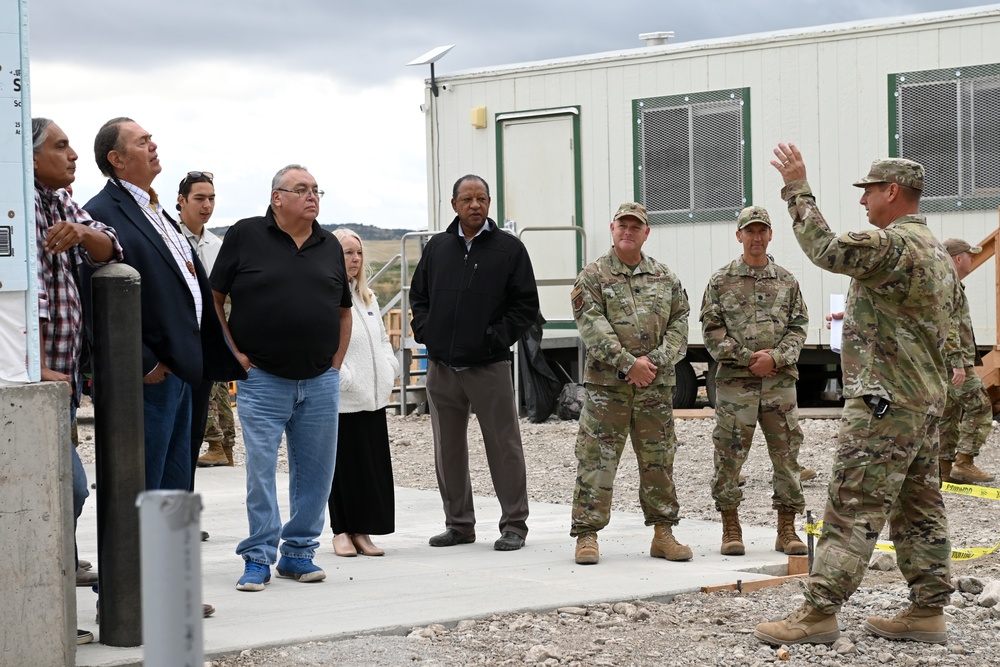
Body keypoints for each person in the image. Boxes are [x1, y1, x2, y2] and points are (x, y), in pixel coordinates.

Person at [755, 147, 959, 646]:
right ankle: (927, 610)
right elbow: (957, 329)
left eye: (869, 190)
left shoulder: (890, 244)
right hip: (925, 402)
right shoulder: (937, 252)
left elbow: (825, 249)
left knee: (852, 502)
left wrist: (797, 188)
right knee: (919, 505)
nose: (864, 200)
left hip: (884, 404)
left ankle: (819, 612)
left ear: (892, 192)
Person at [83, 118, 244, 494]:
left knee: (176, 485)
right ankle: (146, 556)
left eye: (151, 139)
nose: (153, 146)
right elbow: (90, 298)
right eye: (142, 141)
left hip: (184, 370)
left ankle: (173, 554)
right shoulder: (102, 213)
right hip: (147, 378)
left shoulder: (155, 211)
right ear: (116, 158)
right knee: (143, 488)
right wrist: (143, 362)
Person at [211, 165, 352, 591]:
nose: (313, 197)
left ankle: (298, 553)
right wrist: (234, 354)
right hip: (263, 379)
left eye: (316, 190)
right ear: (277, 198)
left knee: (316, 473)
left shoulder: (329, 245)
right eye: (302, 190)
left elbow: (344, 310)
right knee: (261, 472)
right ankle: (257, 557)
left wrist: (336, 363)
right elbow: (215, 298)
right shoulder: (245, 234)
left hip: (320, 381)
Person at [410, 174, 539, 552]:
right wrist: (426, 332)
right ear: (454, 205)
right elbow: (420, 297)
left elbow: (525, 307)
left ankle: (514, 524)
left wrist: (493, 338)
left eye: (481, 198)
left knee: (504, 446)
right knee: (446, 448)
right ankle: (459, 525)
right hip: (442, 367)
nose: (475, 205)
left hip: (489, 366)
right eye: (467, 199)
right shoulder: (437, 248)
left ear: (488, 203)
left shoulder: (509, 250)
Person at [32, 118, 123, 645]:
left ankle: (50, 599)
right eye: (61, 146)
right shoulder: (13, 209)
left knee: (58, 491)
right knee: (69, 488)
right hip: (29, 387)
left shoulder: (60, 201)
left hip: (59, 385)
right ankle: (41, 605)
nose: (72, 156)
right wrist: (32, 369)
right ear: (29, 155)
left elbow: (110, 247)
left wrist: (83, 233)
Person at [569, 202, 691, 565]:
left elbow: (680, 324)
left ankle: (663, 533)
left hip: (654, 387)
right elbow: (592, 325)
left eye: (635, 226)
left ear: (646, 232)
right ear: (612, 228)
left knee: (659, 461)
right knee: (596, 460)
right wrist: (627, 364)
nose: (628, 230)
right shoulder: (592, 276)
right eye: (623, 224)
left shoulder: (665, 277)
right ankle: (587, 535)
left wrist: (652, 363)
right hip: (608, 390)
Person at [700, 205, 809, 557]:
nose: (756, 237)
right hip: (735, 385)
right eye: (750, 231)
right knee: (728, 457)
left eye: (762, 230)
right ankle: (730, 527)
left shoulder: (788, 281)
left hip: (779, 385)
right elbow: (712, 331)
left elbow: (798, 327)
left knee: (787, 456)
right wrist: (750, 360)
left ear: (771, 235)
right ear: (739, 236)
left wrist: (775, 358)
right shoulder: (721, 281)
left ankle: (787, 529)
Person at [327, 228, 400, 557]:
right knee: (342, 468)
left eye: (357, 253)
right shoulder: (325, 295)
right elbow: (325, 344)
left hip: (373, 399)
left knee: (370, 468)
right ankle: (341, 530)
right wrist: (346, 378)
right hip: (344, 399)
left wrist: (390, 370)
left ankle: (363, 530)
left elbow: (383, 341)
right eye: (346, 252)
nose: (354, 259)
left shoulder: (368, 298)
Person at [174, 171, 238, 472]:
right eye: (200, 198)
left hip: (212, 335)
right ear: (181, 200)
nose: (207, 205)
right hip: (180, 337)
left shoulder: (217, 245)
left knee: (216, 393)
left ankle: (222, 446)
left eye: (211, 198)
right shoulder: (168, 239)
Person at [939, 238, 994, 484]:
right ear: (958, 258)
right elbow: (948, 325)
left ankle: (943, 467)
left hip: (945, 360)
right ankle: (964, 462)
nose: (972, 260)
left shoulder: (944, 282)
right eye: (970, 255)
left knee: (949, 413)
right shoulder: (948, 284)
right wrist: (957, 362)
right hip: (953, 360)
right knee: (980, 406)